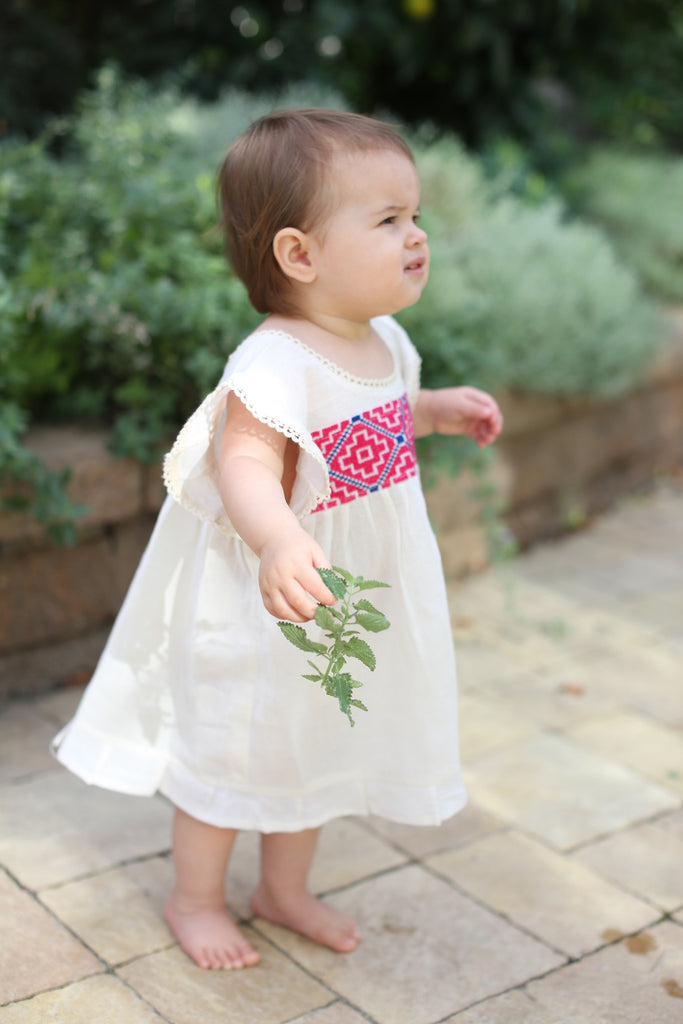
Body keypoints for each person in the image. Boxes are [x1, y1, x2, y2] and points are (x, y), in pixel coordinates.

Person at [54, 108, 503, 971]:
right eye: (386, 221)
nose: (415, 237)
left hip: (337, 596)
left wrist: (433, 411)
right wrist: (276, 539)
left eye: (415, 218)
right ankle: (193, 898)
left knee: (313, 738)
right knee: (234, 741)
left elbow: (373, 423)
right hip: (266, 599)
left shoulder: (380, 339)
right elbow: (246, 465)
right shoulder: (273, 362)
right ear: (300, 255)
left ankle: (283, 891)